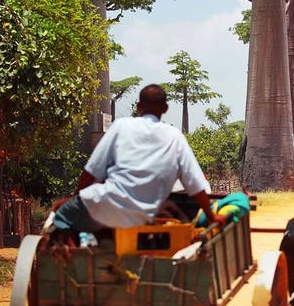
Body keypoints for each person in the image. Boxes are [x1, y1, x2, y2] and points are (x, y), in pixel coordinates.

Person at [50, 84, 217, 233]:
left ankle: (64, 247)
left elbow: (91, 171)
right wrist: (212, 217)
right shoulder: (175, 136)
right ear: (165, 108)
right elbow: (196, 185)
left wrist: (78, 198)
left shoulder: (121, 126)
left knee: (61, 213)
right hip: (143, 218)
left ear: (138, 106)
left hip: (104, 208)